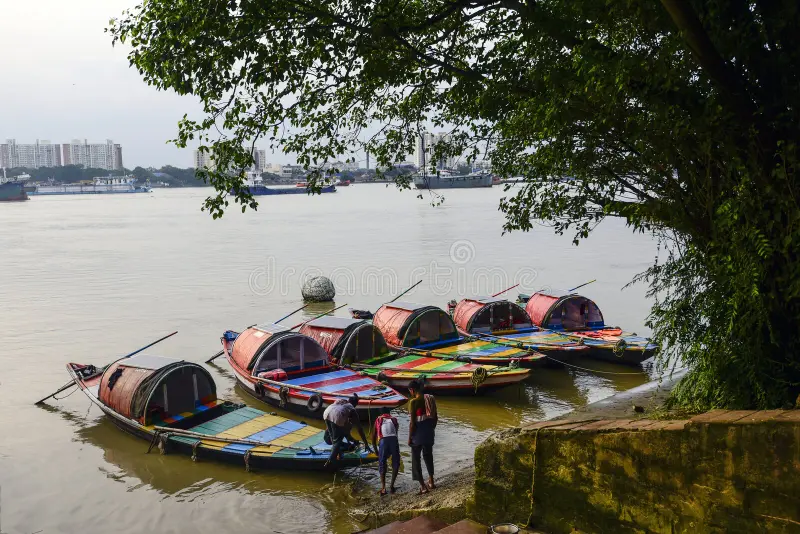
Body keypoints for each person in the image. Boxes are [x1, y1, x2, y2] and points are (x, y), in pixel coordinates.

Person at [407, 379, 437, 494]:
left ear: (412, 390)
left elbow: (412, 423)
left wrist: (410, 437)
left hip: (418, 433)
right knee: (428, 455)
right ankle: (431, 481)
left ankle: (423, 486)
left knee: (416, 459)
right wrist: (431, 429)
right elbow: (436, 417)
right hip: (429, 430)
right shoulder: (431, 398)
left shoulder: (413, 402)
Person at [323, 394, 371, 465]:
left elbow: (346, 432)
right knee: (337, 441)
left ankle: (337, 452)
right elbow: (359, 428)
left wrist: (353, 440)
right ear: (355, 404)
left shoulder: (342, 402)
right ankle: (330, 461)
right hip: (337, 415)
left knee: (333, 437)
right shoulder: (351, 408)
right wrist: (366, 444)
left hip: (327, 412)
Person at [372, 412, 400, 496]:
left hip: (383, 441)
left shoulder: (378, 419)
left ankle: (383, 488)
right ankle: (391, 486)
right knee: (395, 463)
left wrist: (376, 450)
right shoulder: (394, 419)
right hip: (394, 441)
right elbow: (395, 433)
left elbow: (373, 436)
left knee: (382, 463)